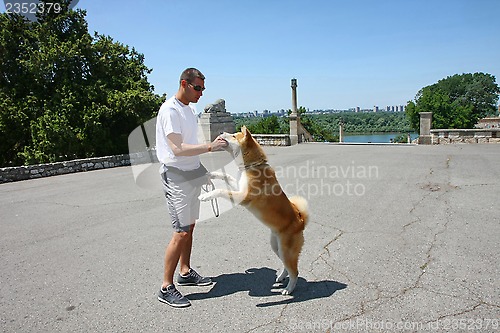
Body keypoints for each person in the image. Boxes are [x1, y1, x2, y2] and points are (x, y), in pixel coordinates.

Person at [155, 68, 227, 308]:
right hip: (175, 176)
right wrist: (210, 147)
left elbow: (190, 147)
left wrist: (201, 171)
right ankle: (166, 287)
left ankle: (184, 273)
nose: (201, 93)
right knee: (181, 231)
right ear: (184, 84)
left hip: (191, 173)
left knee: (191, 226)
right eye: (197, 88)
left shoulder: (189, 109)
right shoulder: (170, 110)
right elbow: (177, 149)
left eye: (203, 89)